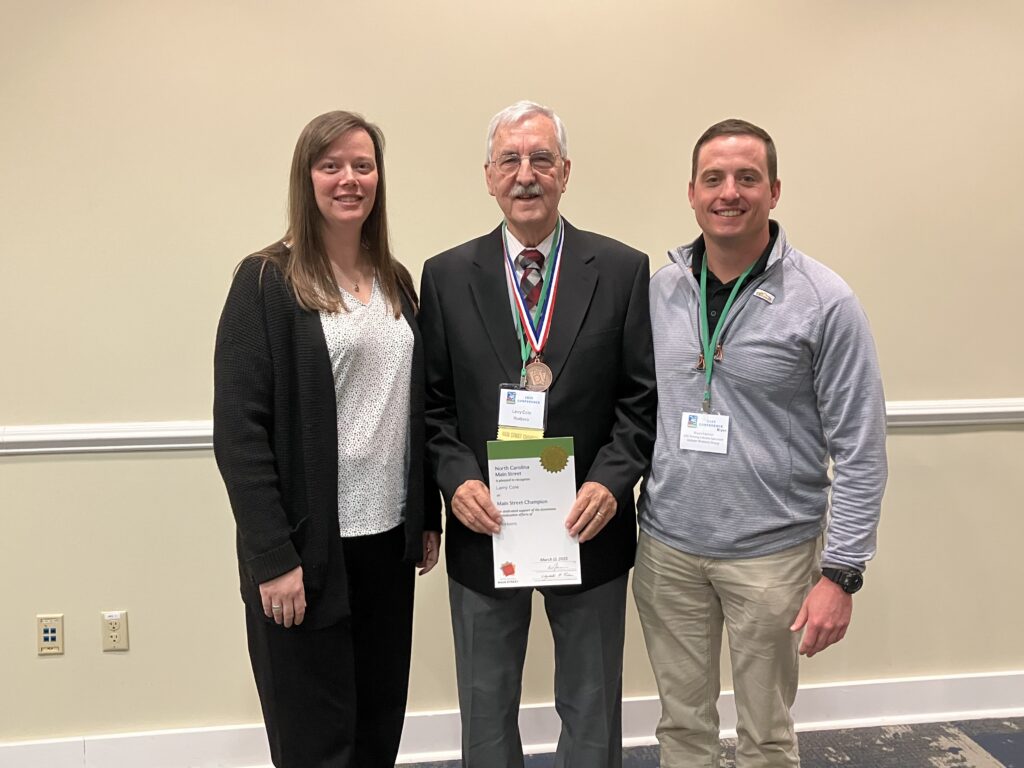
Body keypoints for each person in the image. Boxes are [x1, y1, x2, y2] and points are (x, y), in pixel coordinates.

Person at [633, 118, 888, 767]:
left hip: (772, 557)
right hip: (668, 552)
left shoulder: (825, 301)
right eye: (713, 178)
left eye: (747, 178)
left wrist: (842, 574)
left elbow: (861, 448)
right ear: (691, 192)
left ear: (774, 191)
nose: (729, 192)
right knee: (681, 729)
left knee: (766, 736)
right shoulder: (659, 292)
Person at [419, 100, 657, 768]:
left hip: (588, 522)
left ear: (566, 172)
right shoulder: (443, 277)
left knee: (592, 704)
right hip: (485, 522)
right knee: (486, 705)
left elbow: (640, 403)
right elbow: (432, 407)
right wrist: (455, 478)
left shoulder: (620, 270)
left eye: (542, 159)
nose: (527, 175)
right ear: (489, 176)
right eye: (511, 160)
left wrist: (612, 484)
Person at [213, 110, 441, 768]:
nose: (350, 179)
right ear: (305, 177)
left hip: (387, 550)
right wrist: (272, 557)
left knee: (375, 733)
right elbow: (239, 433)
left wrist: (424, 515)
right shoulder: (266, 283)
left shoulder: (395, 281)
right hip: (306, 555)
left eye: (363, 166)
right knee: (316, 744)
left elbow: (414, 407)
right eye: (331, 165)